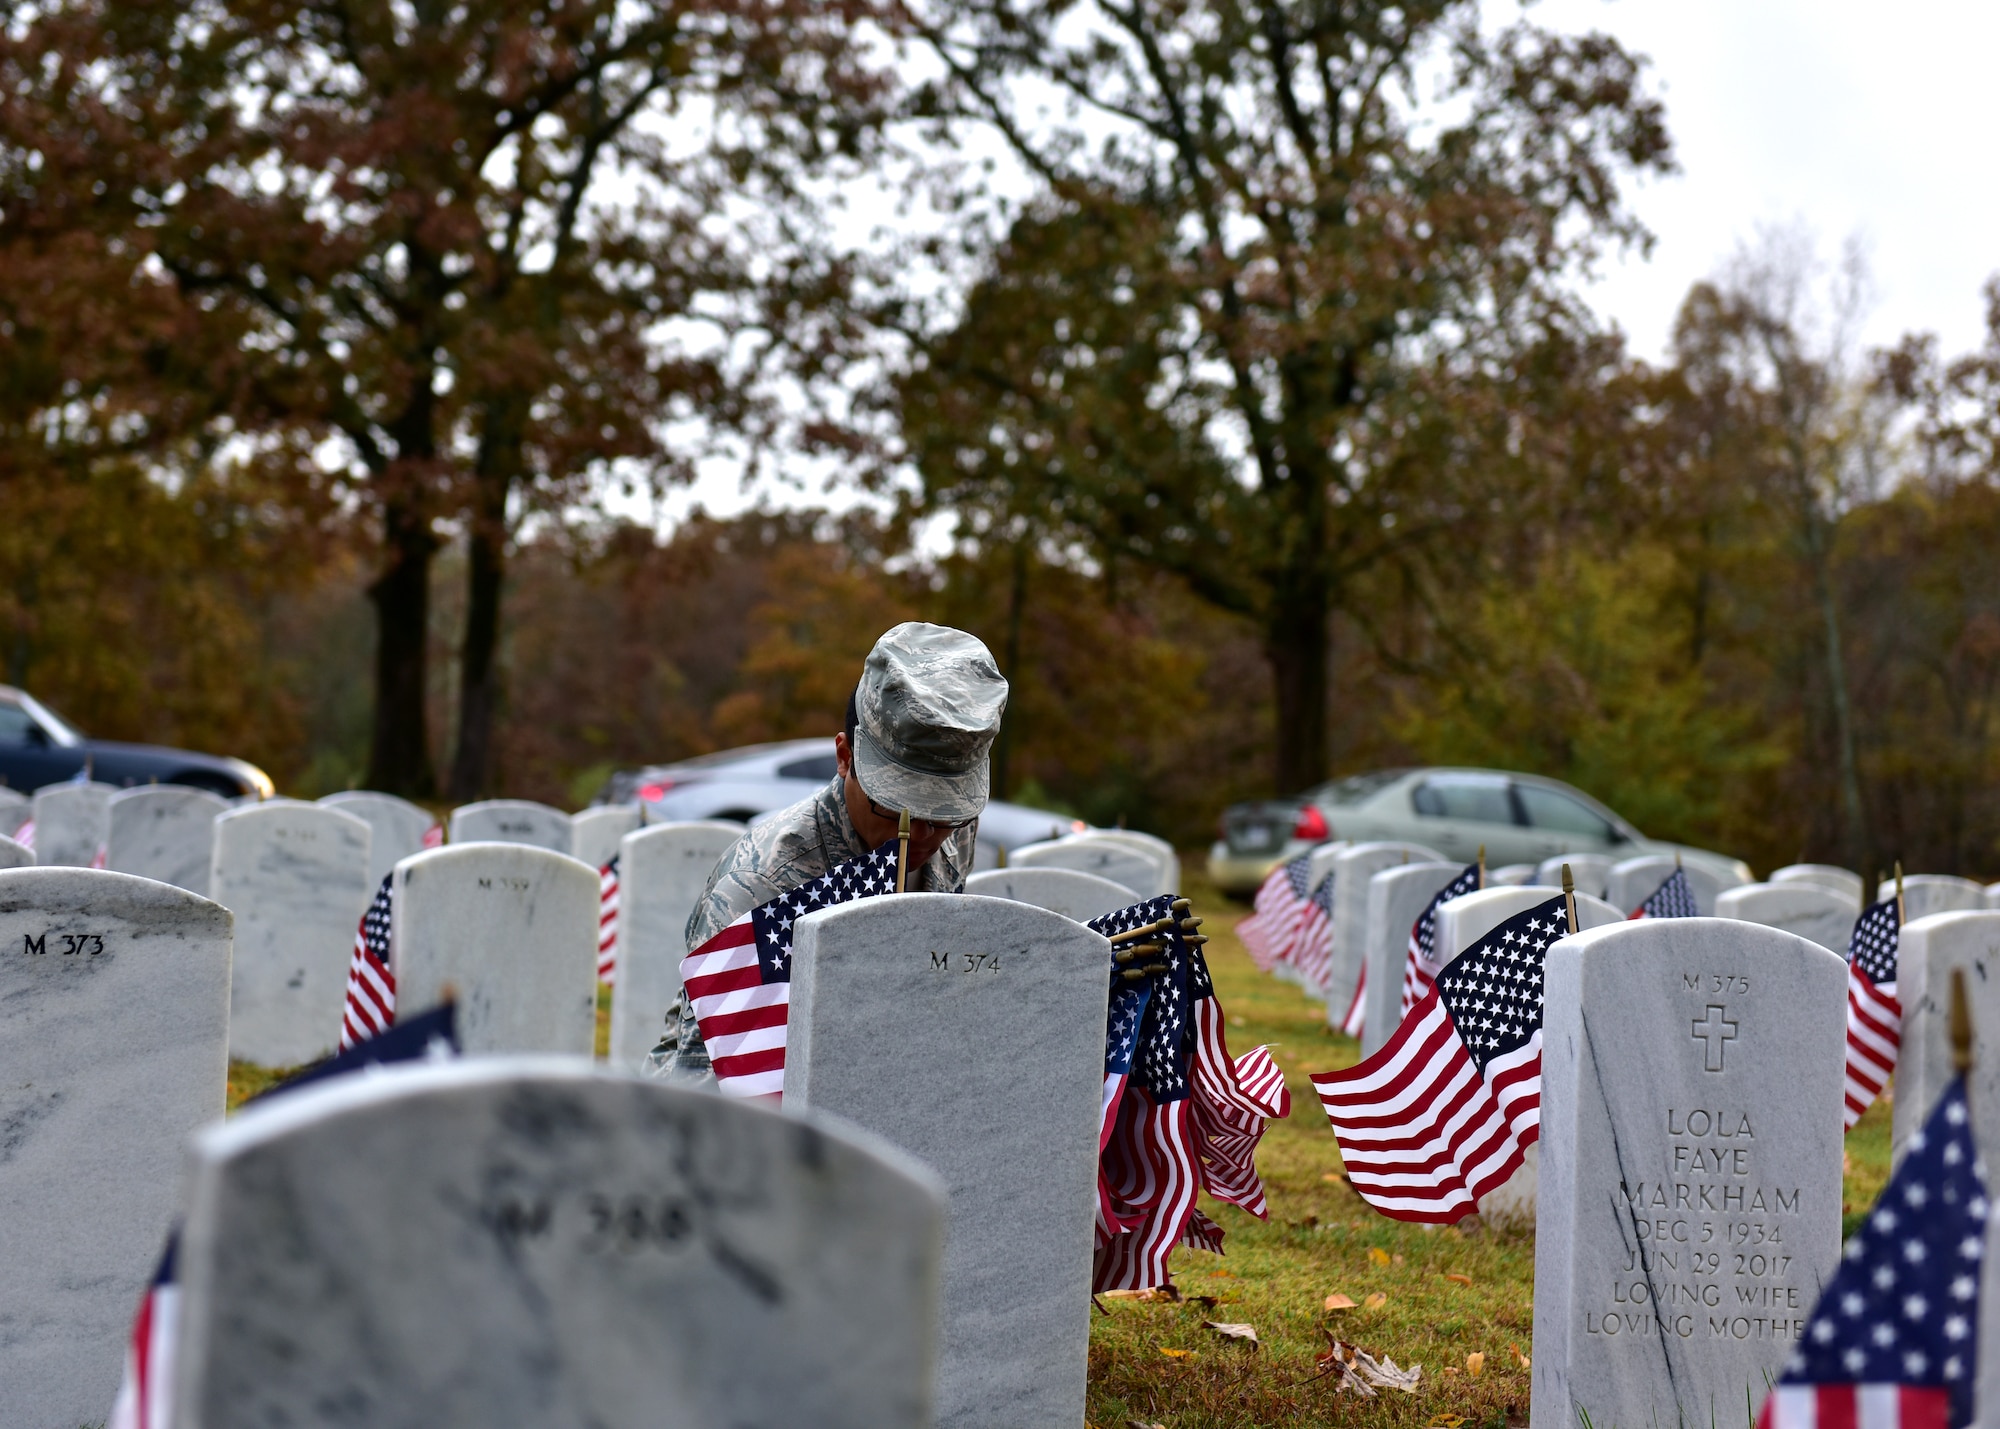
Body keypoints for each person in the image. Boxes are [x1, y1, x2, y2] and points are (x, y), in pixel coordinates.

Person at [648, 621, 1009, 1083]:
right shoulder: (762, 883)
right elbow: (706, 1079)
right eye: (895, 805)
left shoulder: (955, 829)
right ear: (844, 757)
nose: (919, 833)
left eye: (944, 812)